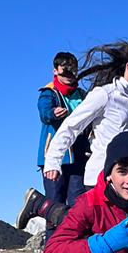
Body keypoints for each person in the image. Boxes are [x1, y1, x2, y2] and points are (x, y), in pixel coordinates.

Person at [40, 39, 128, 191]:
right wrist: (53, 161)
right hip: (100, 179)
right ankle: (39, 203)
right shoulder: (105, 94)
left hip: (124, 178)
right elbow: (72, 126)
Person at [33, 51, 89, 221]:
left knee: (77, 203)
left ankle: (74, 237)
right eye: (65, 71)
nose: (69, 75)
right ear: (55, 71)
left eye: (73, 71)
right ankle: (53, 239)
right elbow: (44, 112)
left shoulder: (83, 95)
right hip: (54, 157)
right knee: (54, 205)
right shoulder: (49, 92)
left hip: (80, 156)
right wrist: (52, 113)